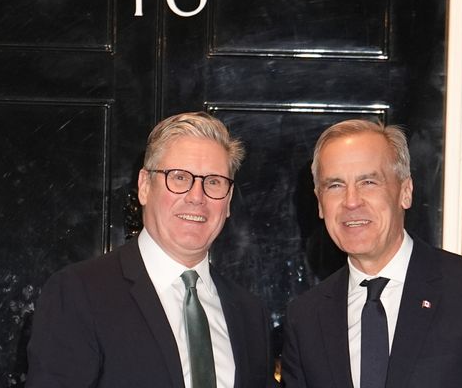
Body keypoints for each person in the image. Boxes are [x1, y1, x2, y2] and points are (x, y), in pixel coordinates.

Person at [281, 119, 462, 388]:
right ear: (320, 203)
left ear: (405, 192)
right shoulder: (305, 318)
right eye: (335, 185)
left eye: (369, 182)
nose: (351, 201)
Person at [27, 112, 276, 388]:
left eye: (214, 182)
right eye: (179, 177)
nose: (197, 196)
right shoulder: (79, 293)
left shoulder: (250, 314)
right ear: (144, 186)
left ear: (227, 202)